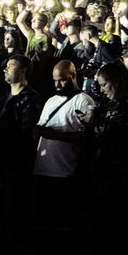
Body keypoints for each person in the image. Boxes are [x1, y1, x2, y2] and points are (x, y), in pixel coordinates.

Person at [33, 59, 95, 217]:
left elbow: (87, 137)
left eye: (62, 80)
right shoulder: (51, 101)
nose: (57, 85)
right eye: (55, 81)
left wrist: (54, 134)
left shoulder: (83, 101)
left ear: (73, 76)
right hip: (43, 168)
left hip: (66, 171)